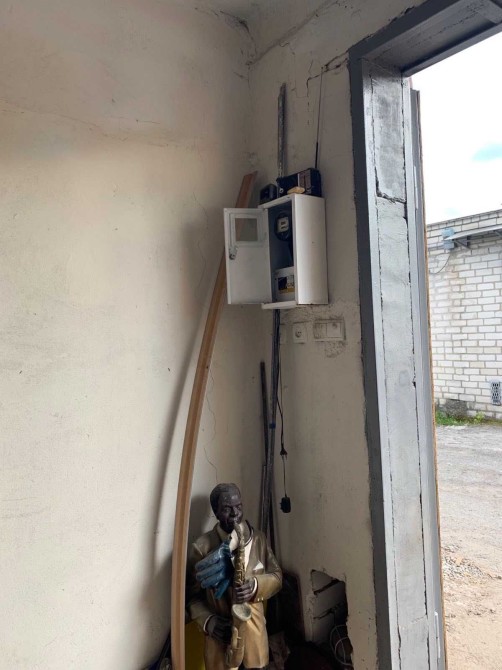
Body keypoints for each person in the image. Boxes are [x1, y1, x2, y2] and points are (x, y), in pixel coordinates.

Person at [186, 483, 282, 670]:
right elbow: (190, 597)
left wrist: (255, 586)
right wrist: (209, 622)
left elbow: (277, 577)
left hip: (254, 639)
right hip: (221, 640)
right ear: (216, 512)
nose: (235, 514)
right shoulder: (201, 547)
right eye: (226, 509)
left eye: (239, 507)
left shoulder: (258, 539)